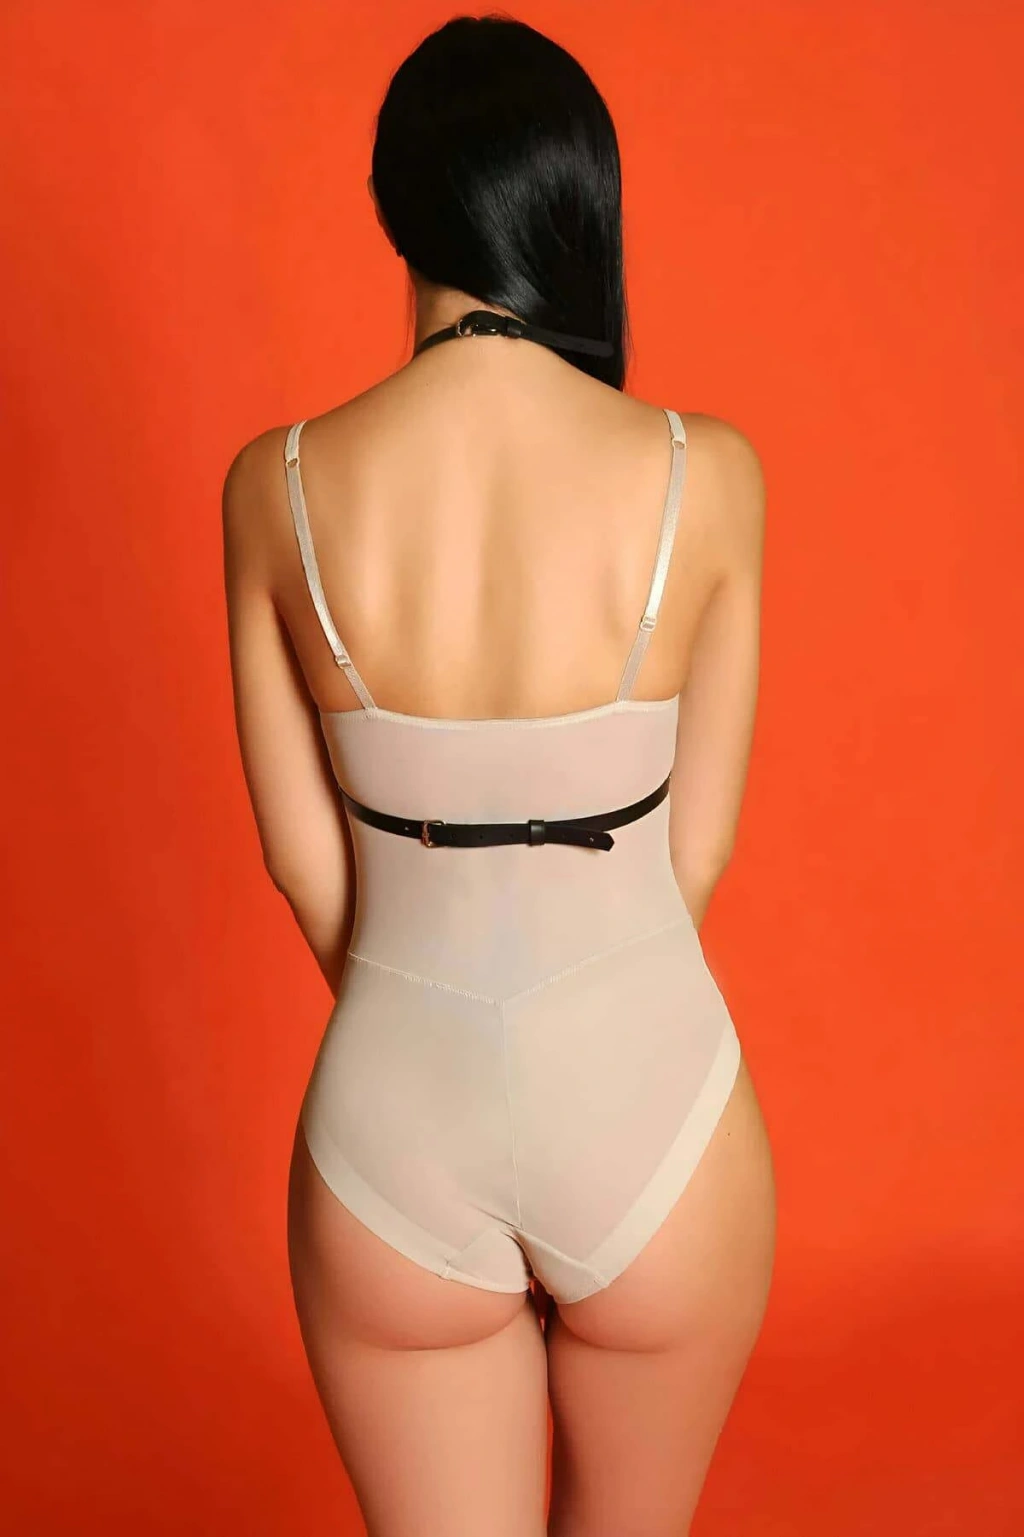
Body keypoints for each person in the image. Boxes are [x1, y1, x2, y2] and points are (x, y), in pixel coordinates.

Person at [222, 14, 776, 1535]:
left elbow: (302, 863)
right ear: (577, 202)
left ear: (399, 208)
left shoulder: (275, 486)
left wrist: (434, 1013)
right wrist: (578, 1021)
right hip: (651, 1102)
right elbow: (697, 855)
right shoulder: (706, 475)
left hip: (394, 1110)